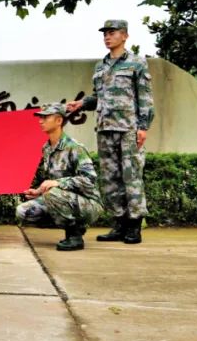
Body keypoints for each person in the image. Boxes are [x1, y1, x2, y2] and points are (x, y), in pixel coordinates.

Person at [66, 19, 154, 245]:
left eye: (112, 33)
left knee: (131, 177)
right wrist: (83, 103)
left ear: (124, 36)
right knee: (109, 179)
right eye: (105, 33)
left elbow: (144, 97)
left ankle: (134, 225)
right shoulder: (101, 66)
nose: (107, 37)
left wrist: (143, 127)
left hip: (128, 128)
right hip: (105, 128)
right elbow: (99, 98)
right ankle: (118, 224)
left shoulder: (136, 63)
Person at [17, 103, 103, 251]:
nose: (40, 121)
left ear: (59, 121)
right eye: (40, 117)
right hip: (63, 198)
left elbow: (89, 181)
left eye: (45, 117)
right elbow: (51, 181)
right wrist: (38, 191)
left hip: (88, 203)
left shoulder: (75, 147)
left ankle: (75, 236)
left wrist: (57, 183)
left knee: (52, 194)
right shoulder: (47, 148)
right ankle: (74, 225)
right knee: (24, 212)